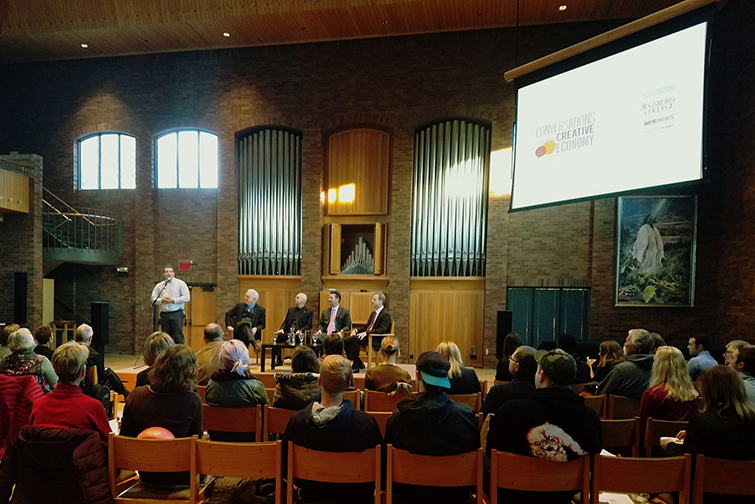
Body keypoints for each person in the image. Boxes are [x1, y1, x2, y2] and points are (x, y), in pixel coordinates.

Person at [487, 348, 602, 504]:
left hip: (514, 496)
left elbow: (490, 450)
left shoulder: (510, 412)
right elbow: (593, 458)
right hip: (562, 496)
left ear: (541, 376)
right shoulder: (590, 419)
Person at [282, 355, 382, 504]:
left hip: (312, 498)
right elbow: (380, 470)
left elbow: (285, 469)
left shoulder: (297, 422)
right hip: (356, 499)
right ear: (349, 384)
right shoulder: (366, 424)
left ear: (319, 381)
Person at [385, 351, 480, 504]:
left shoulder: (398, 417)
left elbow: (385, 463)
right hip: (455, 497)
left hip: (408, 497)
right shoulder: (466, 417)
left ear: (418, 375)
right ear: (445, 378)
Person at [664, 365, 755, 504]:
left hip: (707, 496)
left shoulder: (702, 422)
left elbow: (686, 462)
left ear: (709, 391)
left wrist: (670, 445)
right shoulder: (751, 419)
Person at [119, 345, 203, 486]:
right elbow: (198, 441)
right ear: (190, 372)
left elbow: (125, 440)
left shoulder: (136, 396)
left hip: (146, 474)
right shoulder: (192, 400)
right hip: (183, 477)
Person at [30, 341, 111, 442]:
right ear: (83, 372)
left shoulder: (38, 406)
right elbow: (110, 445)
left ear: (55, 370)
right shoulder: (93, 407)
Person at [206, 339, 268, 441]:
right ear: (246, 359)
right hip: (251, 443)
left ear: (221, 360)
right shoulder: (256, 387)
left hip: (218, 443)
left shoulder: (211, 387)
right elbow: (267, 418)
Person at [639, 346, 699, 442]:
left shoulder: (652, 394)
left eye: (655, 362)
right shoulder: (693, 395)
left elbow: (642, 430)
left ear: (659, 367)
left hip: (655, 450)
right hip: (683, 448)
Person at [596, 328, 654, 399]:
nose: (624, 344)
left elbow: (600, 396)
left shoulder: (621, 370)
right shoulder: (658, 370)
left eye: (626, 341)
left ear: (634, 348)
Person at [482, 345, 537, 418]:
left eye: (511, 358)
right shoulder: (540, 392)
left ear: (516, 366)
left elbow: (483, 417)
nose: (509, 360)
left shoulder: (498, 392)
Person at [76, 323, 128, 397]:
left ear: (75, 337)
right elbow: (101, 378)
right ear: (90, 338)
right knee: (109, 374)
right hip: (88, 388)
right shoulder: (94, 355)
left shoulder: (65, 351)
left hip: (67, 384)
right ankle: (125, 393)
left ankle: (125, 392)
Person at [345, 292, 392, 372]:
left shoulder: (385, 314)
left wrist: (366, 333)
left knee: (354, 340)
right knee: (345, 340)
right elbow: (367, 328)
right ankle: (359, 362)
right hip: (369, 336)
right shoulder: (373, 313)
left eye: (374, 299)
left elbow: (382, 330)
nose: (372, 301)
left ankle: (356, 365)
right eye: (372, 299)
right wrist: (356, 330)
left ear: (380, 301)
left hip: (376, 338)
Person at [1, 328, 58, 394]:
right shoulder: (40, 361)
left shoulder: (5, 361)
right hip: (37, 400)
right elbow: (56, 385)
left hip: (11, 401)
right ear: (31, 341)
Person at [150, 265, 190, 345]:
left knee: (178, 336)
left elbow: (186, 297)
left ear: (174, 273)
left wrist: (173, 300)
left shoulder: (180, 284)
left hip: (177, 313)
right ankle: (168, 355)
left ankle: (180, 355)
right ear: (163, 274)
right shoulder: (159, 286)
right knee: (166, 338)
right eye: (166, 272)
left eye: (171, 272)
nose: (169, 273)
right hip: (165, 314)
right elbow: (153, 299)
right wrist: (162, 300)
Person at [272, 292, 313, 367]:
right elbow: (285, 322)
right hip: (288, 332)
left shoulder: (308, 312)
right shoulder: (291, 310)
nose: (295, 299)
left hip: (299, 333)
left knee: (298, 339)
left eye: (297, 298)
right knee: (278, 337)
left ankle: (298, 361)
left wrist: (301, 330)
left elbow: (309, 326)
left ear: (303, 300)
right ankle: (278, 359)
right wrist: (282, 329)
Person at [273, 346, 321, 410]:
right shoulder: (323, 385)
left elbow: (275, 408)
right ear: (314, 363)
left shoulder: (282, 384)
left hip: (286, 419)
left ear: (294, 363)